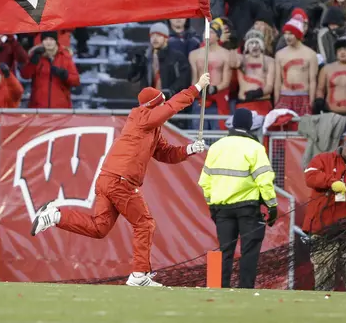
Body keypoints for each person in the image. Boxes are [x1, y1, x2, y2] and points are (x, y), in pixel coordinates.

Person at [30, 73, 211, 287]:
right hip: (121, 180)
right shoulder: (142, 115)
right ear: (154, 105)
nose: (163, 108)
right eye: (160, 104)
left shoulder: (148, 127)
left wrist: (189, 149)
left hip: (109, 179)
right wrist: (197, 87)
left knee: (100, 228)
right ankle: (139, 274)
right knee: (144, 224)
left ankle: (56, 216)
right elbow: (170, 108)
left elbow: (166, 154)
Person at [198, 108, 277, 289]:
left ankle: (220, 290)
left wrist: (212, 205)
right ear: (250, 125)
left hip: (222, 209)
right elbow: (264, 180)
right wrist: (272, 206)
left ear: (233, 124)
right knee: (249, 251)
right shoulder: (255, 147)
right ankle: (245, 290)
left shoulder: (217, 146)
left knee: (226, 251)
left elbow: (205, 181)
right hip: (248, 208)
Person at [302, 132, 346, 292]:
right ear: (344, 145)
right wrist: (331, 182)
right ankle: (323, 309)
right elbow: (310, 176)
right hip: (323, 228)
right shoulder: (323, 159)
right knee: (324, 277)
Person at [21, 31, 80, 108]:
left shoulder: (65, 57)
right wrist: (32, 63)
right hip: (38, 106)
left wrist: (64, 74)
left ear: (56, 41)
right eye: (45, 39)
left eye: (51, 39)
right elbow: (25, 75)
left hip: (60, 107)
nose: (48, 42)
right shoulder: (36, 55)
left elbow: (76, 81)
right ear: (42, 41)